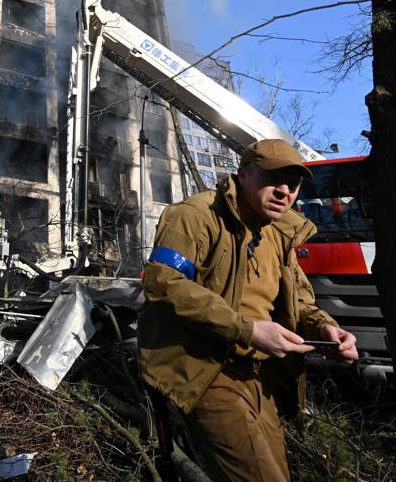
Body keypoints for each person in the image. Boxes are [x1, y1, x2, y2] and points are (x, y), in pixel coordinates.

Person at [139, 139, 359, 482]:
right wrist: (247, 330)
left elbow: (299, 302)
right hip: (208, 370)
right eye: (273, 179)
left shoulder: (280, 234)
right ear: (242, 175)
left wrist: (325, 329)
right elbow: (163, 282)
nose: (284, 191)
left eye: (293, 183)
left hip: (262, 377)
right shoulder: (195, 216)